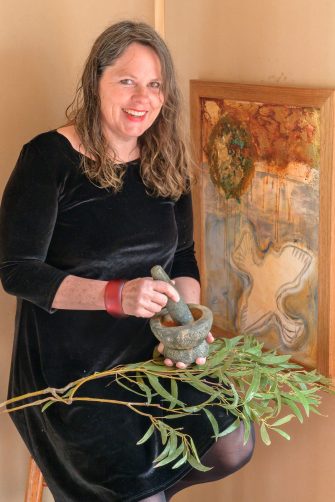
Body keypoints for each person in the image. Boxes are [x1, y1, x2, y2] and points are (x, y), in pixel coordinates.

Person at [0, 21, 254, 502]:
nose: (143, 98)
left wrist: (186, 331)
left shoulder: (167, 159)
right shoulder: (47, 158)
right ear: (96, 81)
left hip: (149, 357)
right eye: (127, 81)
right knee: (135, 484)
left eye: (155, 84)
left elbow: (182, 257)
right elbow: (17, 270)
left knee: (234, 443)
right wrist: (116, 295)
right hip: (71, 374)